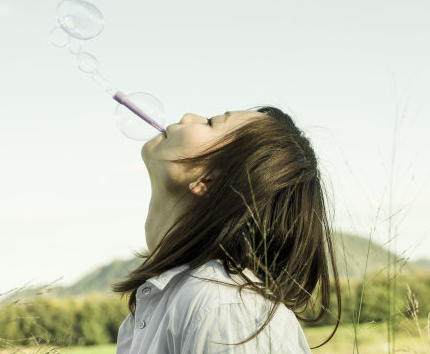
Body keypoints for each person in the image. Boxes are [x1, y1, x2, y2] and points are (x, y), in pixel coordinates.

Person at [113, 107, 341, 353]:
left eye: (211, 122)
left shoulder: (224, 309)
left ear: (208, 181)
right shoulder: (175, 303)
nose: (189, 116)